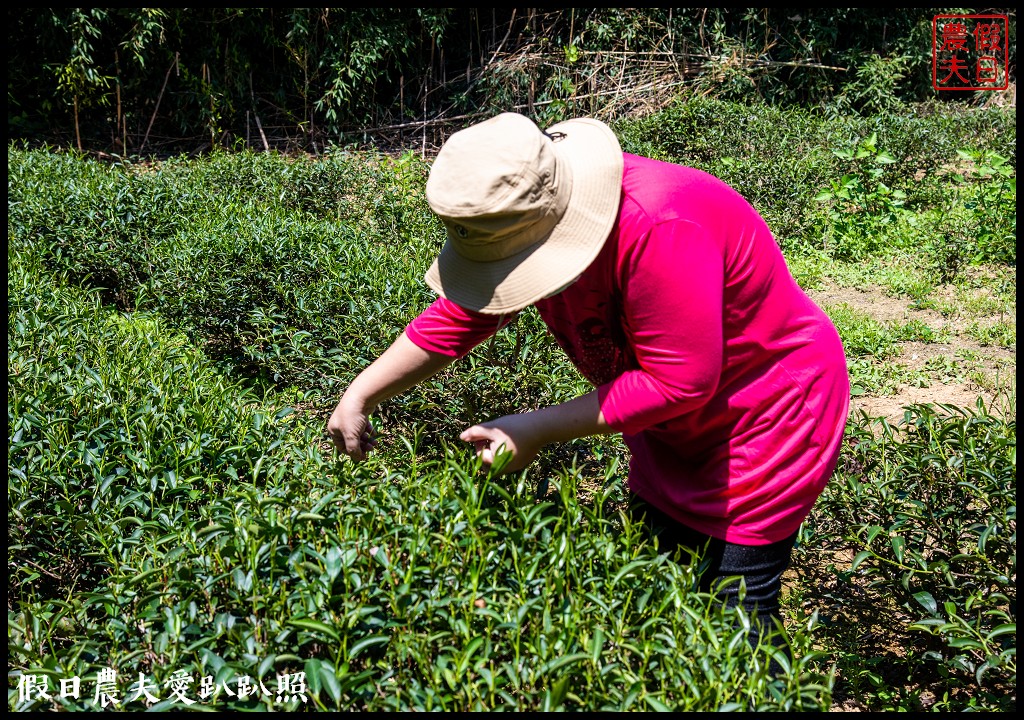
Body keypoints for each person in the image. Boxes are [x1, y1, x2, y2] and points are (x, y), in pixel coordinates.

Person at [326, 111, 850, 649]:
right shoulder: (520, 218)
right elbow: (466, 314)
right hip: (664, 423)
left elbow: (680, 381)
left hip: (765, 413)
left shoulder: (662, 224)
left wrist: (534, 429)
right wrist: (362, 391)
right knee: (663, 588)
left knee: (737, 610)